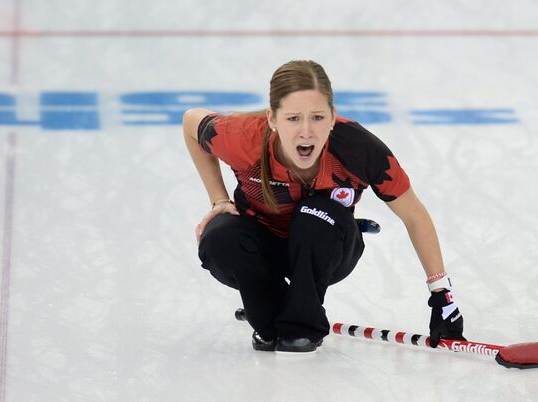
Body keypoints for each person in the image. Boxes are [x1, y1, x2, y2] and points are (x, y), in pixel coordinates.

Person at [183, 60, 465, 353]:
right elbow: (191, 121)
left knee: (314, 214)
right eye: (293, 119)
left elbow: (414, 215)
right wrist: (219, 199)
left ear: (332, 117)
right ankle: (272, 308)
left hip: (328, 247)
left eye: (317, 117)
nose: (306, 131)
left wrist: (441, 294)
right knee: (220, 236)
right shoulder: (243, 137)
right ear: (272, 119)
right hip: (263, 248)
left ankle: (302, 326)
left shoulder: (359, 148)